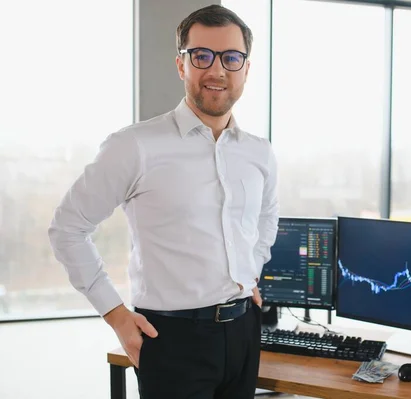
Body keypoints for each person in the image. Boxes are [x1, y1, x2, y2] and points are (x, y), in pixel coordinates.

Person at [48, 5, 279, 398]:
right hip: (172, 338)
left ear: (245, 69)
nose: (217, 70)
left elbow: (265, 221)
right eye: (202, 56)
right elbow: (67, 228)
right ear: (181, 65)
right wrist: (115, 313)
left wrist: (249, 271)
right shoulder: (134, 146)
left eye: (231, 58)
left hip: (244, 330)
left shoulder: (260, 153)